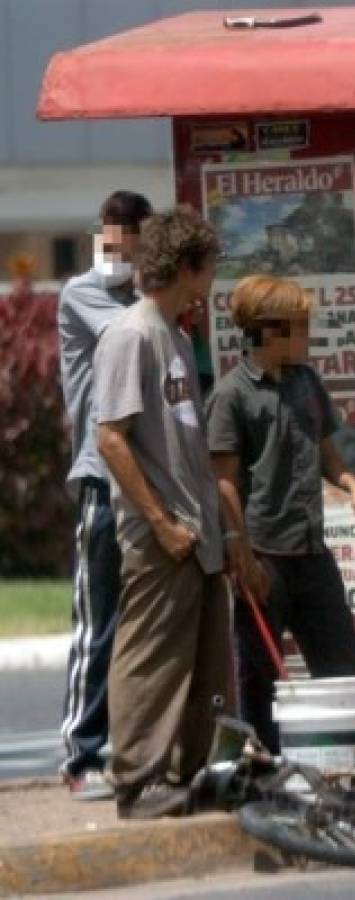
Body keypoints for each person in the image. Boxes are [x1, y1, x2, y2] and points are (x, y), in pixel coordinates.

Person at [92, 208, 236, 819]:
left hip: (197, 533)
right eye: (207, 271)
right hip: (163, 534)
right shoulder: (133, 334)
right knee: (151, 657)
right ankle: (136, 780)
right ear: (186, 268)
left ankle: (187, 772)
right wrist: (160, 522)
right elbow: (112, 439)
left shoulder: (177, 337)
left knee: (205, 661)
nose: (210, 285)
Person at [205, 275, 355, 753]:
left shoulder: (307, 382)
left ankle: (354, 763)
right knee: (262, 676)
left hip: (311, 550)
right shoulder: (231, 395)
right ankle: (265, 769)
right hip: (263, 556)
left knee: (343, 666)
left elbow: (327, 454)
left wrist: (352, 484)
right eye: (299, 327)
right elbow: (224, 481)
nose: (308, 336)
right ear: (270, 331)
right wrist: (242, 554)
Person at [57, 190, 153, 800]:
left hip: (148, 479)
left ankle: (131, 743)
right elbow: (133, 337)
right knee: (98, 623)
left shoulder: (140, 297)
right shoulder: (85, 294)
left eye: (137, 244)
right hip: (102, 479)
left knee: (141, 624)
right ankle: (81, 753)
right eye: (121, 241)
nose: (127, 254)